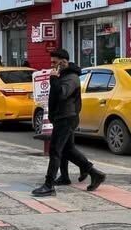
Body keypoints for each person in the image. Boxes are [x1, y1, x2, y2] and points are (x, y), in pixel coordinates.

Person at [32, 49, 106, 197]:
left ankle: (48, 185)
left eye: (54, 62)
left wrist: (53, 79)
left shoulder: (71, 77)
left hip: (66, 118)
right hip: (61, 117)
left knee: (55, 150)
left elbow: (62, 94)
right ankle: (92, 174)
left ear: (63, 62)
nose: (52, 65)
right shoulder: (63, 75)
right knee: (68, 150)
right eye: (51, 62)